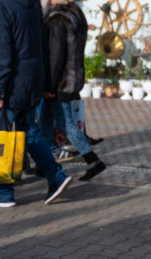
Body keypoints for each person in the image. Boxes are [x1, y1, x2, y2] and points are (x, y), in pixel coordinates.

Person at [0, 0, 70, 207]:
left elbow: (0, 51)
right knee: (29, 131)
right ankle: (56, 176)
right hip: (30, 81)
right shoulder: (31, 4)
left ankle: (3, 192)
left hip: (10, 84)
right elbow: (43, 47)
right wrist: (46, 83)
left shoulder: (1, 6)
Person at [43, 0, 105, 180]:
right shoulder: (76, 13)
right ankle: (44, 162)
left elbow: (56, 56)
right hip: (72, 75)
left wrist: (49, 86)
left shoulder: (57, 18)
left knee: (66, 124)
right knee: (46, 121)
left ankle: (93, 161)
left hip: (59, 81)